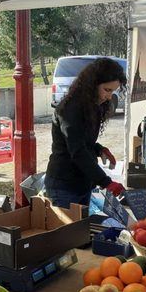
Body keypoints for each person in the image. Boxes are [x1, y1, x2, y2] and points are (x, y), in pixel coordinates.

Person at [45, 58, 126, 208]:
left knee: (81, 229)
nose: (109, 96)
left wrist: (98, 149)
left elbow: (84, 141)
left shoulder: (94, 106)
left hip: (83, 183)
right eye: (107, 90)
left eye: (113, 91)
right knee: (68, 231)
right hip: (63, 185)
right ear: (92, 85)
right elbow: (77, 150)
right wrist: (106, 182)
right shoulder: (70, 109)